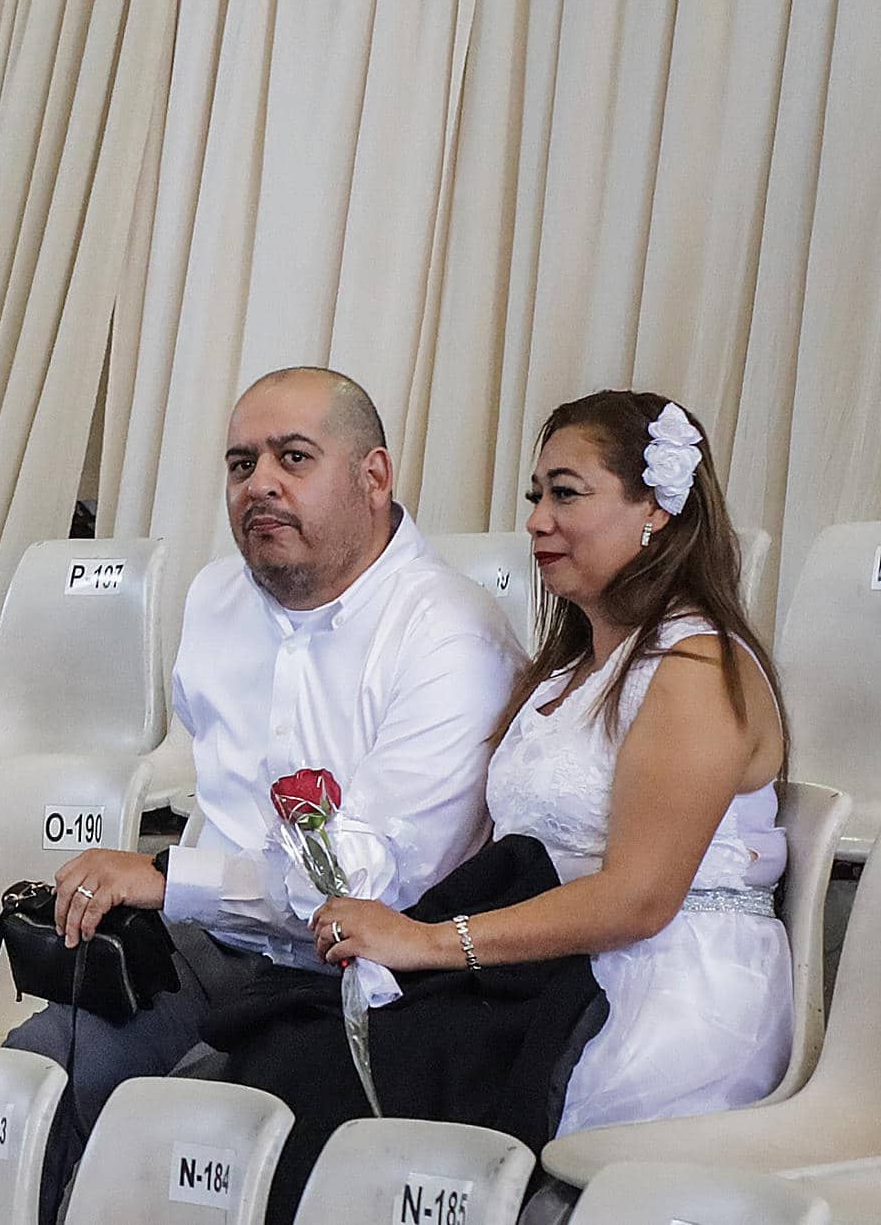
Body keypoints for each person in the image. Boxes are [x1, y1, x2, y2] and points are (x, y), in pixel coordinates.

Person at [3, 366, 524, 1221]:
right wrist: (182, 899)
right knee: (32, 1081)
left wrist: (175, 879)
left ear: (375, 477)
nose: (261, 485)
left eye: (294, 457)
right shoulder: (215, 599)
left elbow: (367, 890)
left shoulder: (450, 635)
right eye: (242, 465)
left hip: (375, 982)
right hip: (218, 955)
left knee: (226, 1133)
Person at [314, 390, 790, 1132]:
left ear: (655, 510)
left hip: (663, 993)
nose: (537, 520)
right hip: (548, 974)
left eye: (566, 494)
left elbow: (639, 900)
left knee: (344, 1087)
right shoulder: (566, 674)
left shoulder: (695, 667)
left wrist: (431, 943)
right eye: (536, 496)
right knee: (297, 1050)